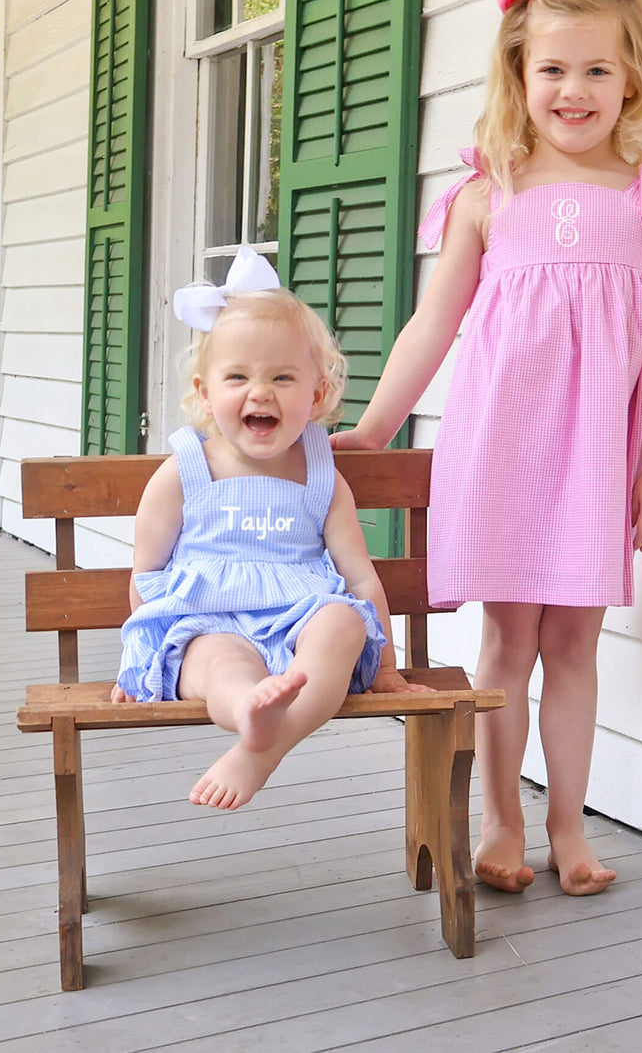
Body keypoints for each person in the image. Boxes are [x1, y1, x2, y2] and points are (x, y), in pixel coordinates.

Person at [332, 0, 642, 894]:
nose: (571, 91)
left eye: (594, 70)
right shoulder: (485, 195)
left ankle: (567, 828)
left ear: (630, 79)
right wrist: (374, 426)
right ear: (517, 71)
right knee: (508, 639)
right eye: (551, 69)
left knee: (573, 642)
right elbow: (430, 323)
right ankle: (499, 823)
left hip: (592, 460)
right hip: (501, 450)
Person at [113, 247, 429, 811]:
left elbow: (360, 580)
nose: (260, 392)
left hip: (300, 626)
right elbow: (146, 576)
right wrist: (139, 667)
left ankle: (258, 752)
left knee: (340, 623)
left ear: (317, 395)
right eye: (238, 376)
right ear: (206, 392)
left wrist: (386, 668)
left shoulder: (322, 477)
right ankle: (249, 713)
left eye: (282, 377)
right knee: (221, 662)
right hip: (210, 622)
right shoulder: (184, 471)